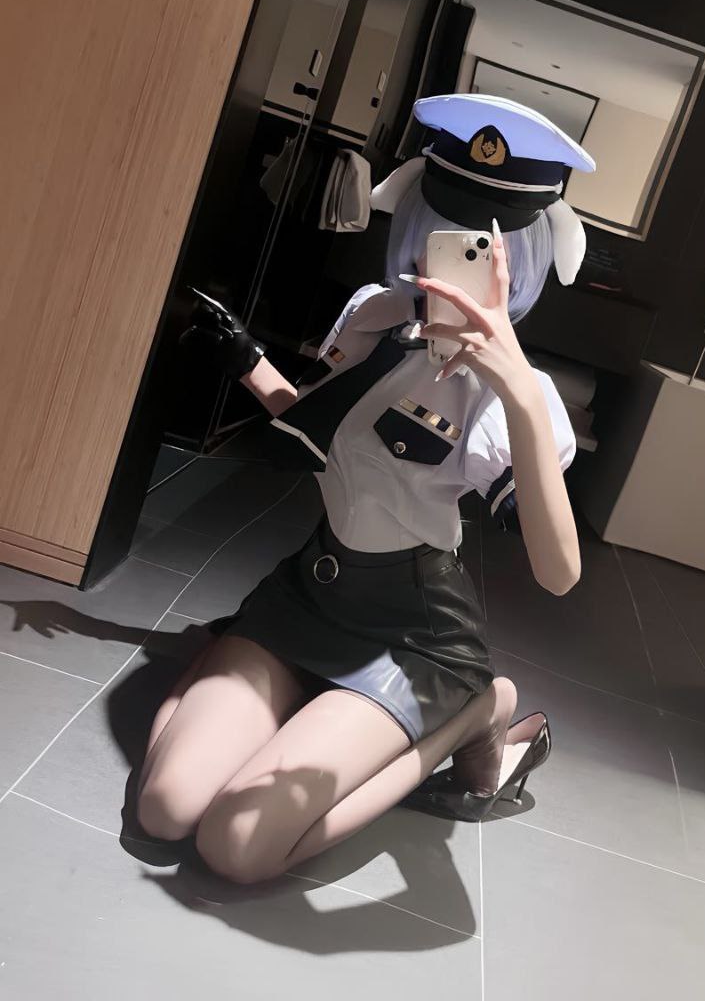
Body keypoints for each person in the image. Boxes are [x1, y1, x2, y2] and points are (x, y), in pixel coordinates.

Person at [137, 94, 596, 884]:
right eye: (442, 231)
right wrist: (247, 359)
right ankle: (298, 702)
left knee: (236, 845)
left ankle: (474, 710)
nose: (454, 259)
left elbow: (559, 573)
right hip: (311, 594)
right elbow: (324, 427)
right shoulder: (371, 314)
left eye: (483, 247)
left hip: (414, 633)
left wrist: (518, 388)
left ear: (519, 259)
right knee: (165, 809)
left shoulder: (517, 396)